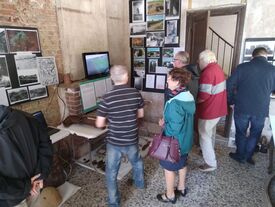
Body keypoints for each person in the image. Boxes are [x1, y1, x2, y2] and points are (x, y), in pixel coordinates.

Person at [96, 65, 145, 207]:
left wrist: (110, 124)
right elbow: (141, 115)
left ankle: (113, 202)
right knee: (136, 161)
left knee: (111, 172)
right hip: (131, 138)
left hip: (114, 142)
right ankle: (140, 184)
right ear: (127, 76)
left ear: (111, 78)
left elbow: (99, 124)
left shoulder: (107, 98)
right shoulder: (135, 92)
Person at [227, 47, 275, 165]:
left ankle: (240, 156)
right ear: (266, 56)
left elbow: (229, 85)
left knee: (241, 132)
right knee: (255, 133)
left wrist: (231, 101)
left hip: (242, 107)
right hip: (261, 109)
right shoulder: (273, 70)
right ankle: (248, 157)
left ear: (252, 56)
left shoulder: (242, 67)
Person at [0, 105, 53, 207]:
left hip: (12, 198)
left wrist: (27, 186)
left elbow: (44, 144)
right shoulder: (28, 117)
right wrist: (41, 174)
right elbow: (45, 144)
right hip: (34, 187)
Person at [157, 68, 195, 204]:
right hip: (186, 140)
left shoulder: (175, 103)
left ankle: (170, 195)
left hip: (175, 143)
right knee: (182, 163)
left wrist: (163, 124)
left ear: (178, 82)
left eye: (170, 78)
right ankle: (182, 187)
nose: (167, 80)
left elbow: (173, 129)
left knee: (168, 168)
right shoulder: (187, 96)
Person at [197, 50, 227, 172]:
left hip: (209, 110)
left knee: (204, 135)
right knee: (210, 134)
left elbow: (204, 95)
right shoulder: (218, 68)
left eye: (199, 60)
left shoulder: (207, 72)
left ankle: (210, 163)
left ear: (204, 60)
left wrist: (193, 102)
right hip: (218, 108)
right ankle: (209, 152)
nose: (198, 63)